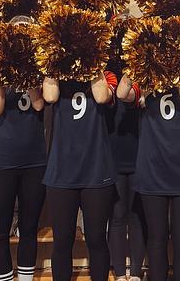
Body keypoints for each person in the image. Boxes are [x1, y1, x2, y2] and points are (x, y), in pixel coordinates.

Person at [117, 76, 180, 281]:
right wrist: (137, 64)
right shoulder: (145, 81)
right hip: (153, 170)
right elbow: (121, 94)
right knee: (157, 238)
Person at [0, 16, 48, 281]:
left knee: (29, 227)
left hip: (34, 159)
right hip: (0, 160)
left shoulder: (41, 69)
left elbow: (39, 105)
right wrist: (1, 65)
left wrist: (29, 71)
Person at [42, 70, 118, 281]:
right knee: (63, 239)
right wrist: (56, 62)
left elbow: (102, 96)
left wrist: (92, 63)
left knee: (96, 238)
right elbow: (49, 96)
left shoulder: (106, 74)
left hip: (96, 169)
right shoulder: (55, 76)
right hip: (61, 170)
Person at [106, 62, 146, 281]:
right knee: (118, 216)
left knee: (137, 216)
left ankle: (136, 272)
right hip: (114, 155)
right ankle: (121, 273)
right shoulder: (111, 73)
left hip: (141, 155)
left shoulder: (143, 71)